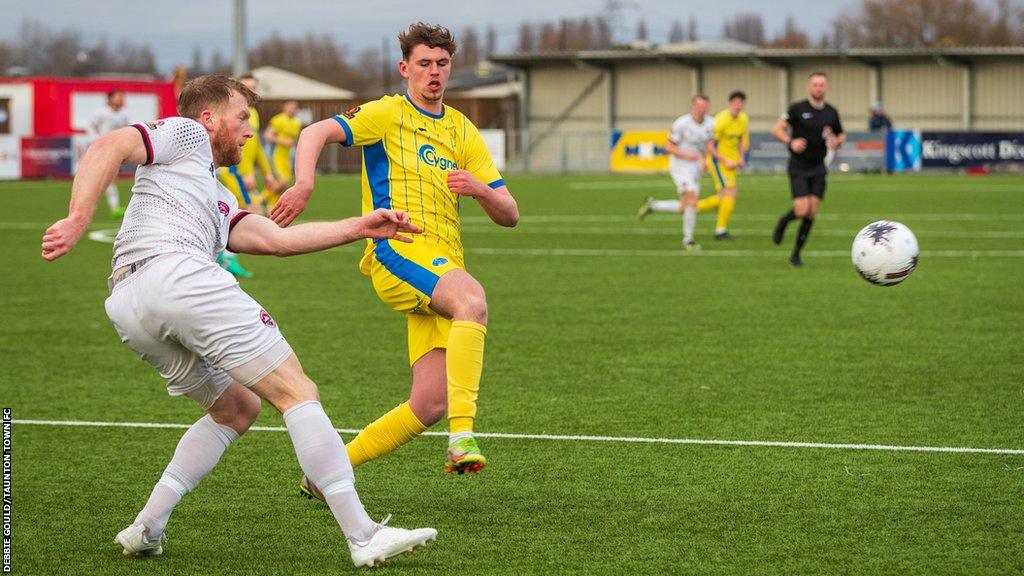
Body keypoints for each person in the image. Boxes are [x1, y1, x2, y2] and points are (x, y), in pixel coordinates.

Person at [40, 75, 435, 568]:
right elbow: (109, 144)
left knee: (238, 409)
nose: (250, 131)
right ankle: (362, 535)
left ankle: (146, 525)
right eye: (242, 118)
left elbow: (274, 241)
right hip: (179, 275)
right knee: (297, 391)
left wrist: (360, 226)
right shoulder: (185, 134)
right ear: (208, 119)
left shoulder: (212, 189)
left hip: (128, 302)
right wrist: (78, 218)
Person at [271, 22, 519, 490]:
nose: (434, 72)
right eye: (424, 63)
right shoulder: (386, 113)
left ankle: (324, 474)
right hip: (397, 250)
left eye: (442, 64)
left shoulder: (462, 129)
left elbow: (510, 213)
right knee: (472, 300)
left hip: (441, 265)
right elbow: (315, 132)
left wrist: (481, 190)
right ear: (405, 68)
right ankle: (463, 436)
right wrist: (305, 182)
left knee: (427, 403)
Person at [770, 71, 845, 267]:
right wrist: (790, 141)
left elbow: (841, 135)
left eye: (821, 85)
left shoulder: (831, 112)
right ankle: (784, 221)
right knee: (801, 210)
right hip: (799, 166)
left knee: (811, 213)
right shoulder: (797, 108)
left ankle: (796, 255)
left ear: (826, 87)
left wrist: (837, 141)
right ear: (809, 87)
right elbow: (777, 128)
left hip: (819, 166)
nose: (818, 88)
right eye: (815, 84)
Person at [637, 94, 714, 251]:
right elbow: (668, 147)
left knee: (685, 207)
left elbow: (707, 144)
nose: (702, 109)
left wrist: (705, 160)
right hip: (680, 166)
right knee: (693, 198)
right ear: (693, 106)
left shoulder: (711, 123)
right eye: (699, 106)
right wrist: (687, 155)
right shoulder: (682, 123)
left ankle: (653, 205)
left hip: (694, 167)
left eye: (704, 106)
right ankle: (688, 240)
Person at [698, 90, 749, 240]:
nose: (738, 106)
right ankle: (720, 230)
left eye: (741, 103)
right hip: (718, 161)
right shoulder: (720, 120)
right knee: (730, 193)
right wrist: (723, 160)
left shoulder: (744, 119)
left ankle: (691, 207)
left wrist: (741, 157)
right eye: (735, 103)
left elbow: (740, 139)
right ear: (730, 104)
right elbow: (709, 145)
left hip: (731, 163)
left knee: (723, 197)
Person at [88, 89, 130, 218]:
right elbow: (91, 125)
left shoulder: (124, 114)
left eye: (121, 97)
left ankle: (114, 208)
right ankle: (112, 207)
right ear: (110, 98)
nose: (120, 99)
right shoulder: (101, 112)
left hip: (115, 149)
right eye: (117, 97)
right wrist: (95, 139)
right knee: (105, 178)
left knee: (109, 178)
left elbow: (127, 130)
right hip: (102, 148)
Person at [263, 100, 302, 207]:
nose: (292, 110)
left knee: (284, 187)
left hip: (287, 158)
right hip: (275, 156)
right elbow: (268, 135)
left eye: (295, 108)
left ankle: (271, 210)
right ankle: (259, 202)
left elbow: (293, 140)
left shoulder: (296, 122)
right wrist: (283, 141)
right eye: (290, 107)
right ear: (284, 107)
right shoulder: (278, 120)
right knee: (281, 183)